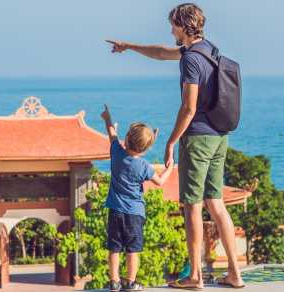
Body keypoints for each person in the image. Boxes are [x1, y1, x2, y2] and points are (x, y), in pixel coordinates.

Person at [106, 3, 244, 290]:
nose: (171, 30)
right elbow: (161, 53)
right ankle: (234, 274)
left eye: (173, 26)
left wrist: (171, 141)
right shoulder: (209, 50)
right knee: (216, 204)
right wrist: (129, 46)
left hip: (198, 138)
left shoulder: (191, 60)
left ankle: (194, 276)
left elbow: (189, 107)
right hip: (220, 136)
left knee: (191, 206)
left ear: (183, 26)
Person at [100, 104, 174, 292]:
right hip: (134, 214)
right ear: (146, 148)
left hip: (115, 211)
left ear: (126, 139)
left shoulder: (116, 153)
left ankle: (114, 281)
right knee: (133, 250)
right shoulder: (144, 166)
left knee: (114, 248)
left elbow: (111, 133)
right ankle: (130, 282)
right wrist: (170, 168)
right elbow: (160, 182)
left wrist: (107, 118)